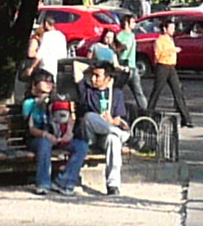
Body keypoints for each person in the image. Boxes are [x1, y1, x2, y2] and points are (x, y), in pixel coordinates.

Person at [22, 67, 89, 197]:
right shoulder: (29, 103)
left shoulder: (59, 99)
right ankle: (43, 183)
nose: (49, 84)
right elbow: (30, 128)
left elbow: (70, 117)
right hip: (39, 138)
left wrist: (68, 133)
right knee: (44, 144)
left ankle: (65, 181)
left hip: (59, 136)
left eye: (51, 81)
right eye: (45, 81)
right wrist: (47, 135)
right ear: (35, 84)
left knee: (81, 146)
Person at [80, 58, 131, 196]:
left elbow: (119, 119)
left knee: (113, 140)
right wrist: (91, 68)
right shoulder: (87, 90)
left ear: (108, 78)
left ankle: (113, 185)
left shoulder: (116, 94)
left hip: (105, 136)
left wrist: (113, 121)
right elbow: (77, 68)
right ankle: (123, 136)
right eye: (93, 75)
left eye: (98, 76)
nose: (94, 78)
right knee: (89, 116)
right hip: (90, 135)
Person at [144, 18, 192, 125]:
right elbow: (158, 55)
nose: (173, 30)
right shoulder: (159, 40)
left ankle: (186, 119)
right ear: (165, 29)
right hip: (162, 66)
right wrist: (172, 50)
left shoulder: (170, 40)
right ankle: (148, 115)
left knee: (178, 91)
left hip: (171, 67)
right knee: (157, 91)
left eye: (173, 28)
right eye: (171, 28)